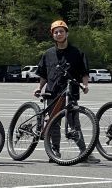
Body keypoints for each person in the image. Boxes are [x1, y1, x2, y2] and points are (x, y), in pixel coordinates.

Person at [34, 20, 99, 163]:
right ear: (53, 35)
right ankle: (54, 151)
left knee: (74, 123)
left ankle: (84, 153)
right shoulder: (48, 53)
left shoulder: (77, 52)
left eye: (61, 31)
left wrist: (86, 85)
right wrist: (39, 88)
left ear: (66, 33)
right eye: (56, 32)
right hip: (52, 92)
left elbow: (84, 72)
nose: (59, 34)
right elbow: (44, 74)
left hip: (70, 92)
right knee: (54, 124)